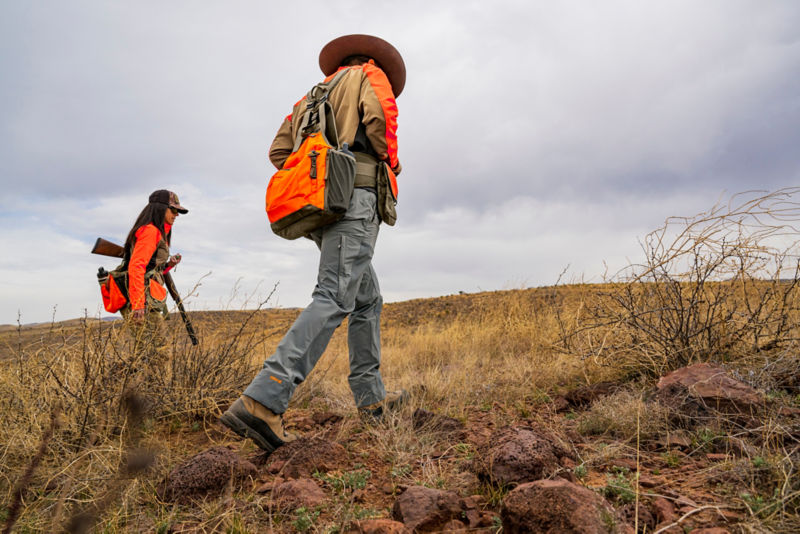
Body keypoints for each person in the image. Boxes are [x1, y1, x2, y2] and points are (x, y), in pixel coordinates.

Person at [220, 35, 407, 453]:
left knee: (366, 298)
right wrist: (389, 161)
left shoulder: (308, 98)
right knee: (335, 295)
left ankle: (372, 399)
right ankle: (263, 399)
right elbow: (379, 122)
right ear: (372, 60)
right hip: (355, 195)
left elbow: (278, 152)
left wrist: (319, 166)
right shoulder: (369, 75)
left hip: (319, 206)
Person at [119, 189, 188, 370]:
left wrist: (169, 265)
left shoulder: (156, 232)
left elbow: (151, 269)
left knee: (147, 352)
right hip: (142, 299)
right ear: (160, 208)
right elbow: (136, 267)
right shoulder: (150, 231)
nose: (176, 215)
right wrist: (138, 304)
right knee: (159, 352)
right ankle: (148, 394)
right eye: (173, 210)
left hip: (146, 297)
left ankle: (137, 392)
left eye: (178, 211)